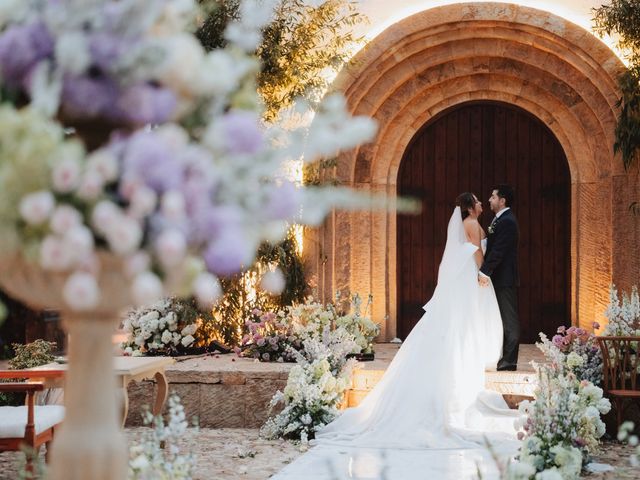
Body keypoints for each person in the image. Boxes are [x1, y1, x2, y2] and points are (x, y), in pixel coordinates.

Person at [315, 193, 516, 450]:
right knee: (465, 323)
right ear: (469, 207)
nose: (481, 204)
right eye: (477, 201)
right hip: (471, 277)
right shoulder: (472, 224)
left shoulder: (467, 224)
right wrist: (485, 274)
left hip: (463, 278)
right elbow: (477, 254)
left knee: (459, 323)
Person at [479, 185, 520, 371]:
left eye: (493, 197)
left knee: (509, 319)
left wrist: (484, 271)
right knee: (502, 318)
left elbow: (499, 250)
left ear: (502, 200)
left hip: (504, 278)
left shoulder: (508, 221)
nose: (489, 199)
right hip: (499, 278)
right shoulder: (500, 220)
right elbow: (493, 245)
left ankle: (510, 360)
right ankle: (504, 357)